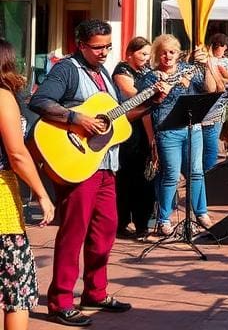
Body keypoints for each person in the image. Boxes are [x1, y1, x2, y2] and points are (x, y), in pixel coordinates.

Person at [30, 20, 163, 327]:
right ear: (81, 45)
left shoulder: (103, 73)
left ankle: (95, 292)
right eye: (98, 47)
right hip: (77, 163)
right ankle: (60, 301)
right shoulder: (67, 69)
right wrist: (77, 117)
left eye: (108, 46)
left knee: (106, 228)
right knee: (74, 231)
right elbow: (39, 101)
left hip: (105, 164)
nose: (105, 52)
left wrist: (151, 102)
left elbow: (117, 117)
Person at [0, 38, 55, 330]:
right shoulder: (2, 96)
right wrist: (42, 193)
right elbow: (17, 153)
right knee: (15, 289)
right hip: (2, 208)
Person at [139, 34, 218, 237]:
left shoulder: (187, 70)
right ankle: (164, 219)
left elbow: (209, 89)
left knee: (196, 172)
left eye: (172, 52)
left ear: (178, 53)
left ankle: (201, 213)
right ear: (157, 55)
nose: (168, 56)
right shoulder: (151, 77)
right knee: (171, 175)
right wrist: (151, 139)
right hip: (167, 131)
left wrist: (207, 65)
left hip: (192, 128)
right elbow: (145, 109)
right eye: (163, 52)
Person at [112, 36, 156, 240]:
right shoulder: (122, 71)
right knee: (127, 178)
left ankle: (142, 223)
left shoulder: (145, 72)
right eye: (142, 54)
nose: (146, 58)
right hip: (128, 130)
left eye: (148, 54)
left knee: (144, 178)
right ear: (130, 53)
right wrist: (154, 91)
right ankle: (122, 222)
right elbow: (132, 94)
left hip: (144, 126)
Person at [202, 32, 228, 172]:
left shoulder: (225, 61)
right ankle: (207, 177)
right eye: (221, 46)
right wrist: (222, 78)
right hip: (211, 109)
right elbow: (212, 88)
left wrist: (224, 74)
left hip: (224, 104)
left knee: (226, 130)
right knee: (210, 148)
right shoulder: (207, 60)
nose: (223, 50)